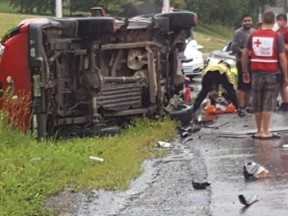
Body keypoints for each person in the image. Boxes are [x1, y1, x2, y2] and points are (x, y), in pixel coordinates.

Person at [242, 11, 288, 139]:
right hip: (271, 73)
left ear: (262, 20)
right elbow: (282, 58)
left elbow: (245, 53)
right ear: (274, 22)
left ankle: (258, 130)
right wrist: (286, 76)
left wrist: (245, 71)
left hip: (256, 73)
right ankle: (266, 131)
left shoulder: (253, 35)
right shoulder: (276, 36)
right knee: (268, 101)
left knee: (257, 101)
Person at [232, 15, 255, 117]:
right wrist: (245, 52)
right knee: (242, 85)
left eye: (249, 20)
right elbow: (234, 47)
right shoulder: (238, 33)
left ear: (252, 21)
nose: (247, 22)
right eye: (245, 21)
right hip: (241, 61)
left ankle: (246, 106)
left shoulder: (254, 32)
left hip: (252, 62)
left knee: (249, 86)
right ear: (242, 22)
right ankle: (240, 108)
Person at [276, 13, 288, 111]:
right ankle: (284, 102)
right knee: (282, 83)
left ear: (284, 20)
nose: (278, 22)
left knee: (285, 82)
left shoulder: (287, 31)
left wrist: (282, 45)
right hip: (279, 60)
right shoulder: (277, 32)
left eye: (279, 20)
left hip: (286, 58)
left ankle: (286, 102)